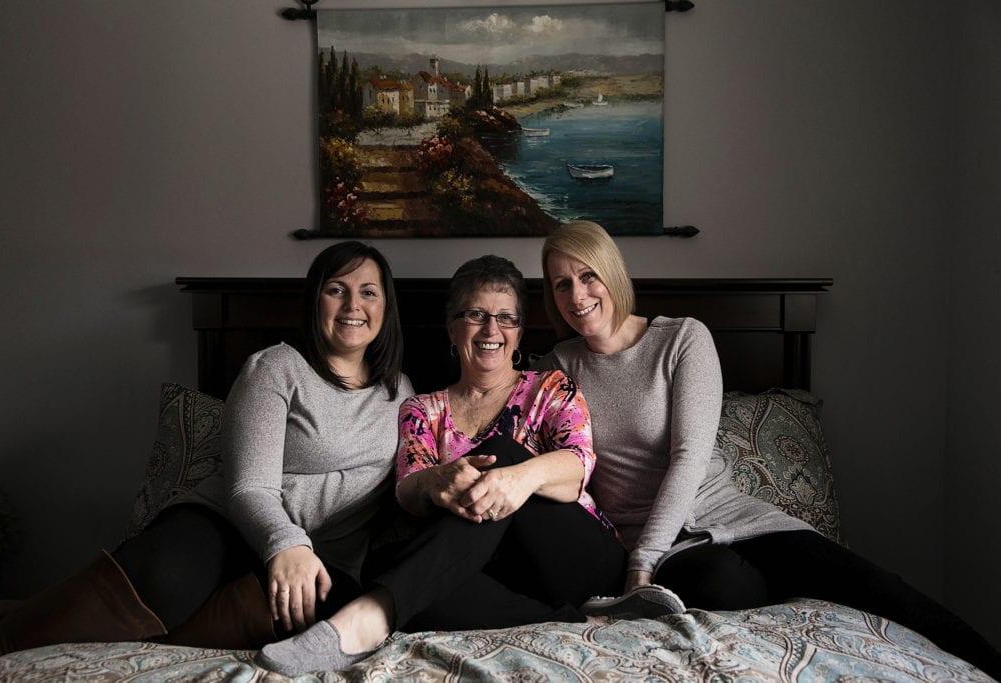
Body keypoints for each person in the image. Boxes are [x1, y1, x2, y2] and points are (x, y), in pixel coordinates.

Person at [537, 219, 1001, 679]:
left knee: (883, 590)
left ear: (612, 274)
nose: (577, 296)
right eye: (562, 284)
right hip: (669, 548)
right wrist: (644, 558)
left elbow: (690, 457)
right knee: (724, 587)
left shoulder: (681, 339)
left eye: (588, 276)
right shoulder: (558, 368)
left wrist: (640, 566)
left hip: (738, 518)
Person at [0, 241, 412, 661]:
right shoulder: (277, 368)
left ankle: (119, 640)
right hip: (228, 523)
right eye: (336, 289)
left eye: (368, 292)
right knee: (169, 577)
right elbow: (250, 487)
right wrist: (287, 547)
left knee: (328, 614)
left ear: (385, 308)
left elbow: (413, 478)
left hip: (324, 558)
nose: (353, 305)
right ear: (315, 301)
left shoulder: (401, 392)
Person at [254, 254, 633, 677]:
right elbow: (408, 493)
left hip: (575, 555)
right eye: (476, 315)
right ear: (452, 328)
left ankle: (367, 619)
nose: (492, 330)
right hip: (493, 574)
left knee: (502, 453)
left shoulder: (550, 386)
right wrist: (435, 480)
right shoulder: (421, 408)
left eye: (507, 318)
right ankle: (567, 621)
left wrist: (514, 477)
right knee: (387, 566)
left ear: (520, 332)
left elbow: (576, 468)